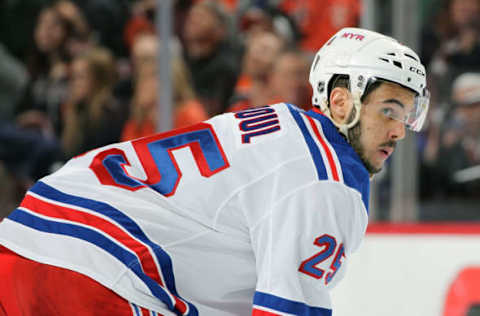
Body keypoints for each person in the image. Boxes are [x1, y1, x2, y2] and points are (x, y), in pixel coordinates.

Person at [0, 27, 429, 315]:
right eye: (389, 109)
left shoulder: (280, 124)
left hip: (27, 241)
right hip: (97, 277)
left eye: (408, 115)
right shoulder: (328, 180)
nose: (399, 130)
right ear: (340, 102)